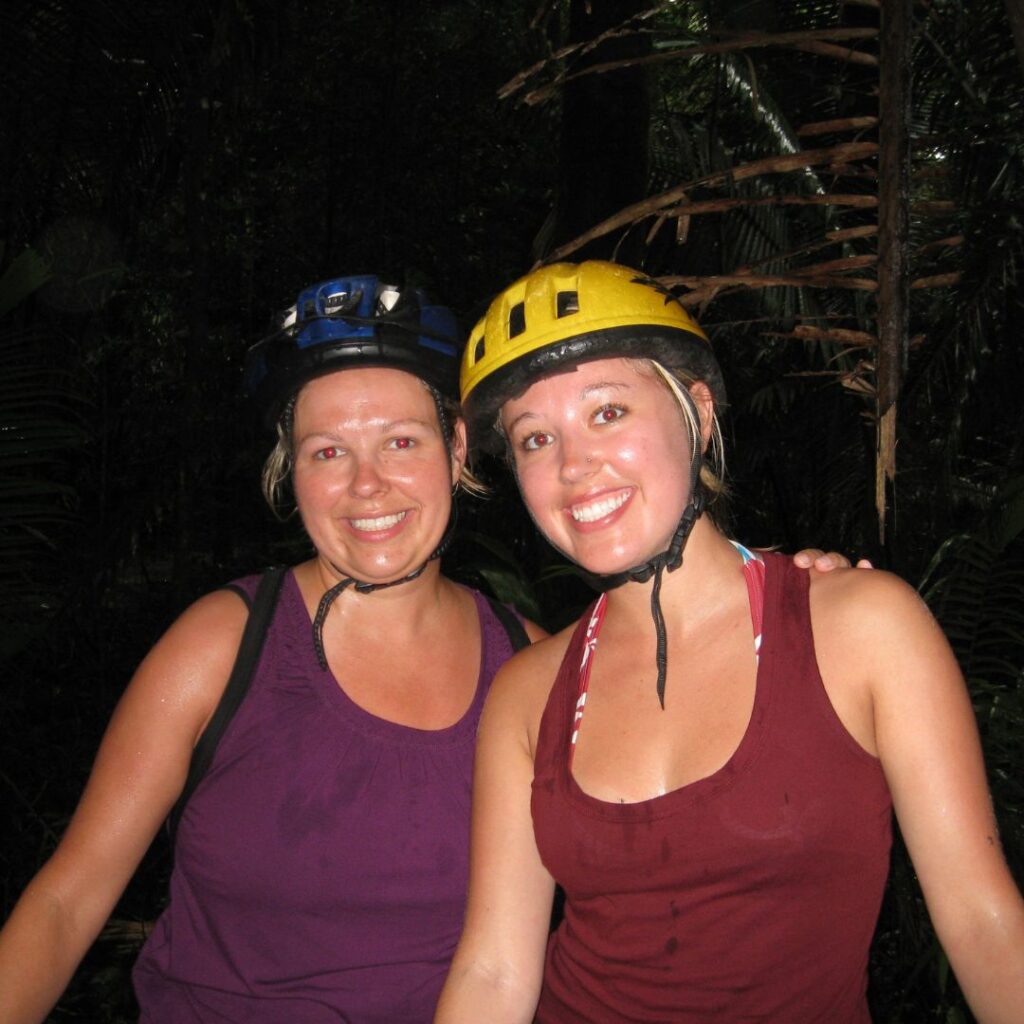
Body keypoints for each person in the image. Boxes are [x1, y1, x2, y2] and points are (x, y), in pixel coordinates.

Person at [0, 272, 852, 1024]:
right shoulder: (227, 645)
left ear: (457, 452)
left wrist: (798, 590)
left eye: (402, 442)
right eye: (327, 451)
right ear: (289, 474)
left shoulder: (536, 670)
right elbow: (67, 904)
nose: (366, 485)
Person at [436, 260, 1024, 1023]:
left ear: (698, 415)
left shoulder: (860, 627)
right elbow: (492, 970)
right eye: (536, 438)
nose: (574, 466)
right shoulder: (529, 692)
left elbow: (982, 923)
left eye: (608, 412)